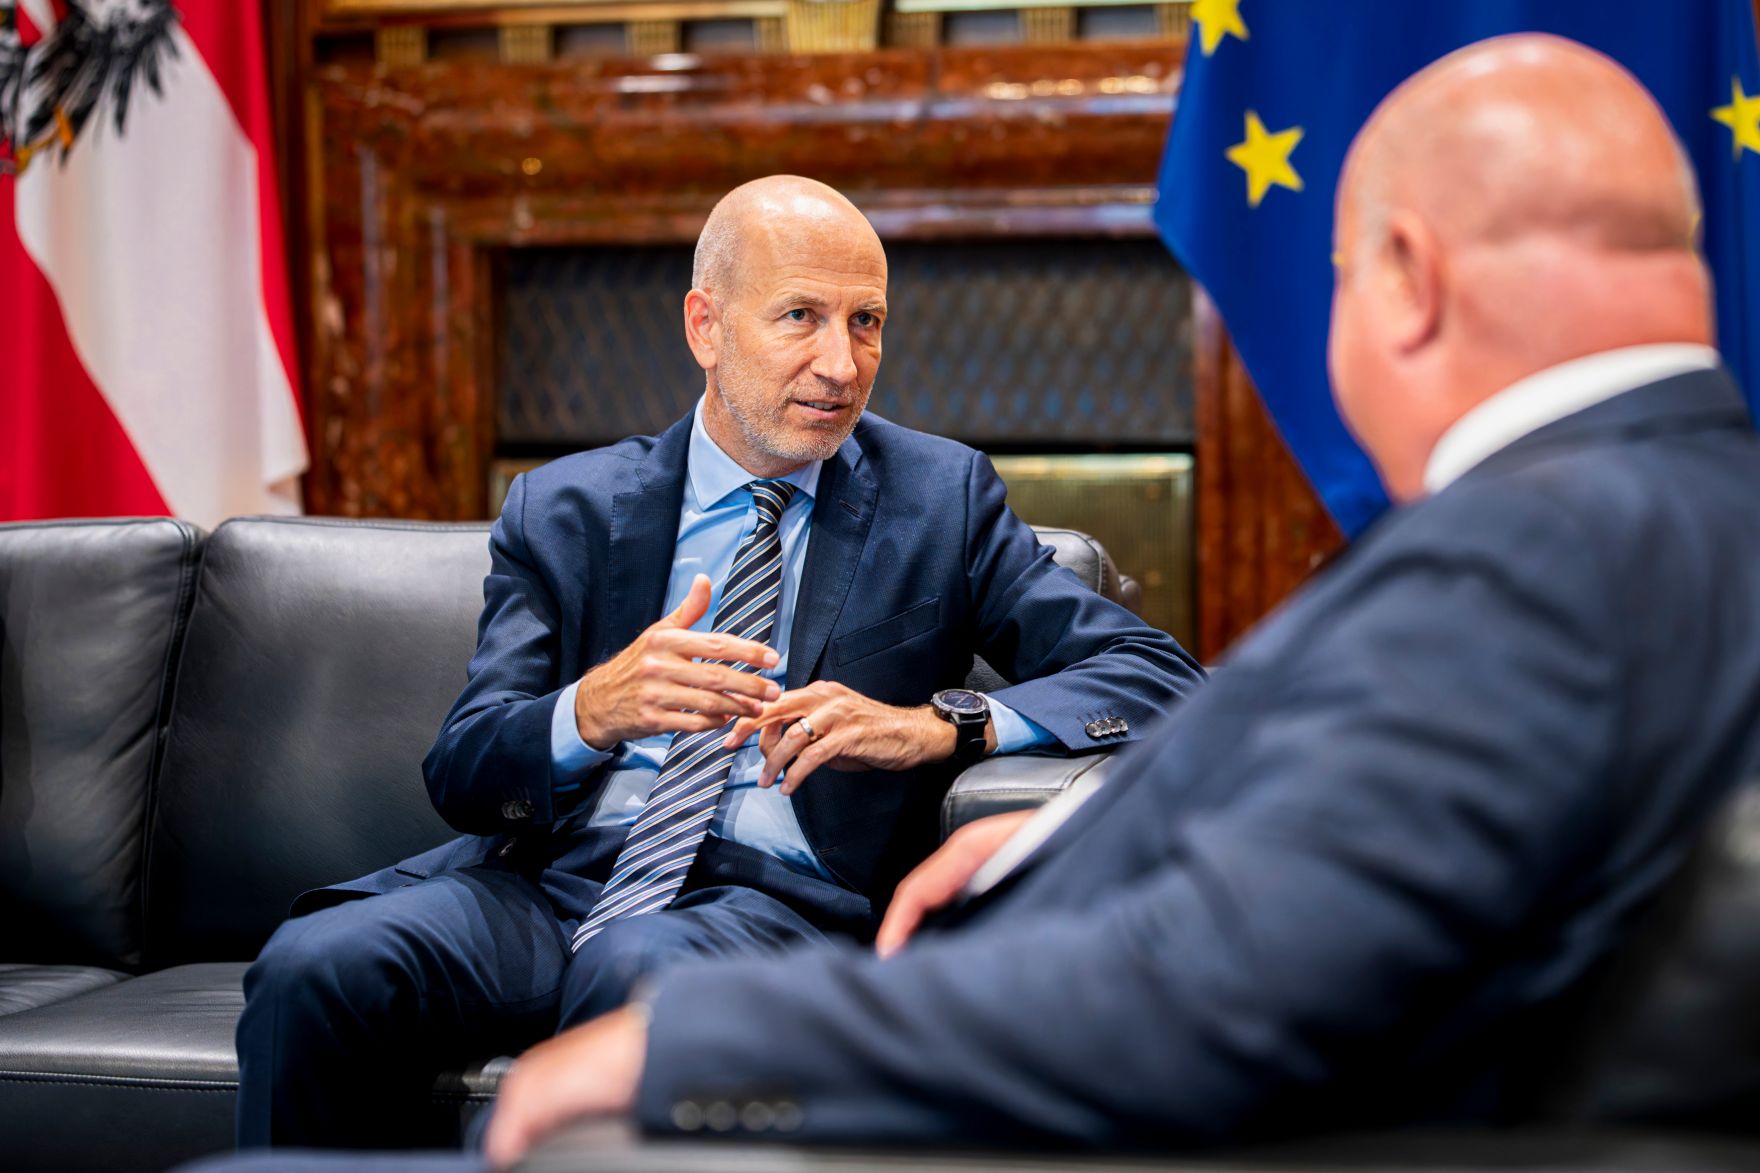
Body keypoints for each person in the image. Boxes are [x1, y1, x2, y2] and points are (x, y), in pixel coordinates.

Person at [471, 33, 1760, 1163]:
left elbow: (1211, 991)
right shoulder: (1685, 510)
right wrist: (1067, 824)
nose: (838, 361)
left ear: (1408, 281)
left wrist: (697, 1043)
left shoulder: (1522, 559)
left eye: (1333, 281)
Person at [233, 175, 1206, 1149]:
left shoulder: (937, 498)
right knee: (320, 963)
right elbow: (465, 770)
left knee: (632, 968)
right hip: (551, 877)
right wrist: (590, 712)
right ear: (705, 325)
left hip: (764, 898)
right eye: (800, 317)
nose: (841, 363)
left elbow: (1151, 673)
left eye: (866, 322)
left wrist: (939, 724)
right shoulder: (564, 509)